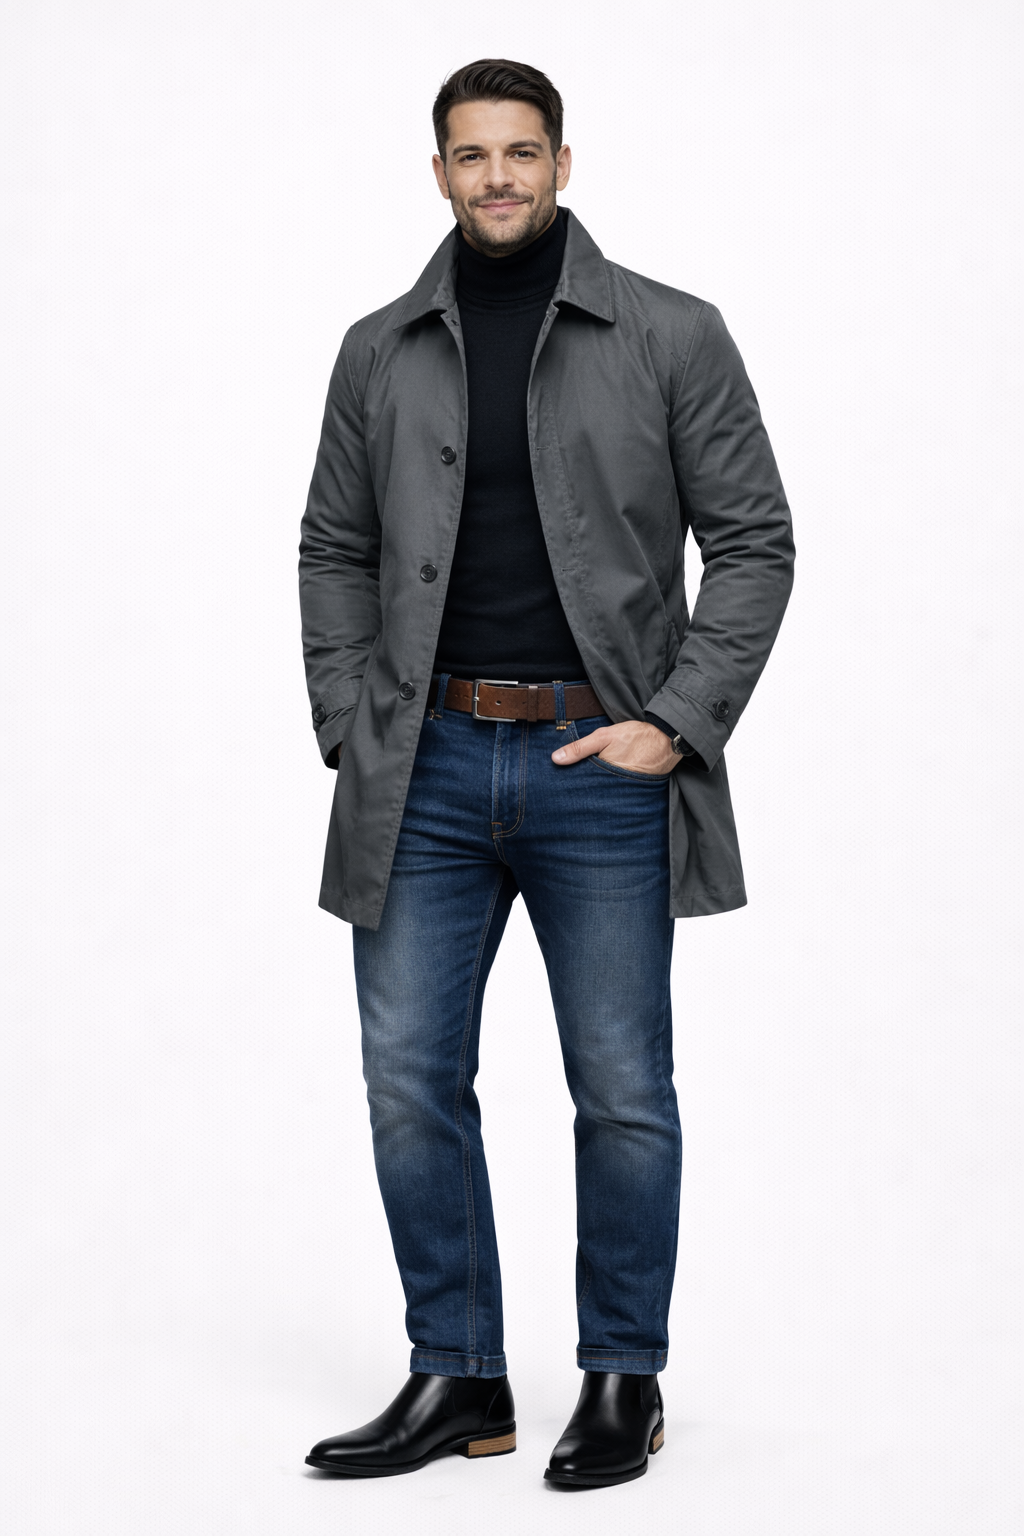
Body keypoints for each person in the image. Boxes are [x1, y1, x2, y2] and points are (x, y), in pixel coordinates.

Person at [298, 58, 794, 1488]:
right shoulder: (377, 350)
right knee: (409, 1078)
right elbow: (335, 547)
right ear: (439, 174)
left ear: (564, 164)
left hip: (602, 766)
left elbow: (754, 541)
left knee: (623, 1087)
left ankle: (623, 1379)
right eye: (473, 155)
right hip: (425, 766)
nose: (499, 177)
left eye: (522, 152)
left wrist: (677, 721)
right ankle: (458, 1375)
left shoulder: (671, 333)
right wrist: (351, 722)